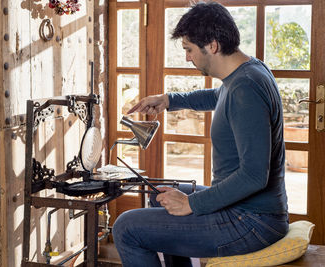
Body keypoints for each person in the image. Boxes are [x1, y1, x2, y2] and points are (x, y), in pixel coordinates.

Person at [112, 2, 289, 267]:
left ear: (212, 46)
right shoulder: (247, 73)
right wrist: (169, 100)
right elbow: (218, 96)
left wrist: (192, 204)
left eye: (189, 50)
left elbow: (254, 175)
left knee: (126, 227)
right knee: (159, 195)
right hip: (248, 212)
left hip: (252, 221)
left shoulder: (246, 90)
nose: (187, 58)